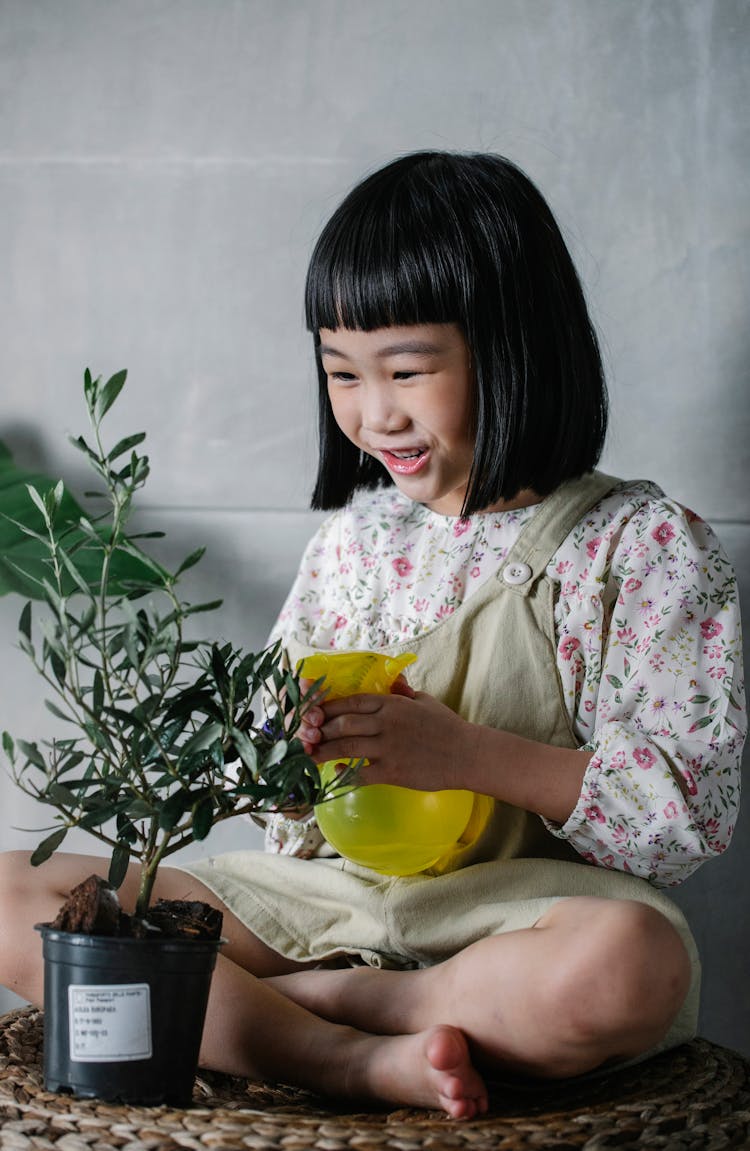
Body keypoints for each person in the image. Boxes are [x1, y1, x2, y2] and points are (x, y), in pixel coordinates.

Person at [0, 151, 745, 1120]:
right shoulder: (354, 542)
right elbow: (268, 795)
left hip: (517, 913)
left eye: (406, 369)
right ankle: (340, 1053)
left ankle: (324, 1010)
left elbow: (688, 811)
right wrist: (275, 745)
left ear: (515, 346)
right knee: (19, 893)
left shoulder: (641, 546)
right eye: (342, 372)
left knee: (626, 964)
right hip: (324, 902)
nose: (372, 411)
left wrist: (467, 754)